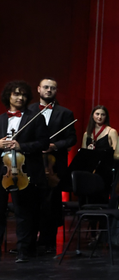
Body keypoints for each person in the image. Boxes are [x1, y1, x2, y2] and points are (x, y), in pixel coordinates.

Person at [1, 81, 49, 263]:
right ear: (8, 96)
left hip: (24, 171)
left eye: (23, 95)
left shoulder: (35, 117)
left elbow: (43, 143)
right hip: (2, 171)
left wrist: (21, 146)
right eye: (16, 94)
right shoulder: (0, 119)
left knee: (24, 213)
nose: (20, 98)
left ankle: (24, 250)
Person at [28, 77, 76, 255]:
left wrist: (54, 146)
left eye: (53, 88)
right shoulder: (28, 111)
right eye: (46, 87)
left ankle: (47, 242)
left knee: (50, 204)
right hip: (32, 164)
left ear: (56, 91)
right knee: (31, 204)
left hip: (53, 166)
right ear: (39, 89)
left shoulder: (65, 113)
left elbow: (72, 139)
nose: (49, 90)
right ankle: (28, 243)